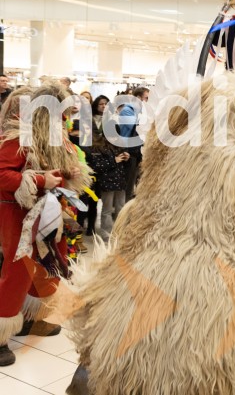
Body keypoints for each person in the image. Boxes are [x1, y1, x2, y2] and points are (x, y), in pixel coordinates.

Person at [0, 83, 89, 367]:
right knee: (17, 269)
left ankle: (31, 317)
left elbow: (52, 174)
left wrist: (66, 174)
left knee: (46, 264)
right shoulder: (17, 139)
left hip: (47, 213)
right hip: (18, 215)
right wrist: (41, 181)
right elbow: (3, 175)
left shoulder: (51, 138)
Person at [86, 131, 130, 242]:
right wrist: (113, 160)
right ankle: (106, 233)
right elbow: (96, 166)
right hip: (107, 183)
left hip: (120, 182)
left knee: (121, 208)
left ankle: (120, 231)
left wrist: (126, 158)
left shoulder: (119, 147)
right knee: (107, 209)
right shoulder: (98, 147)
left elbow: (122, 166)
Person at [117, 87, 148, 201]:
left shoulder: (139, 112)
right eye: (146, 98)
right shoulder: (127, 111)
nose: (148, 101)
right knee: (128, 185)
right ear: (139, 98)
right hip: (130, 152)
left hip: (137, 152)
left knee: (136, 182)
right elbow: (129, 131)